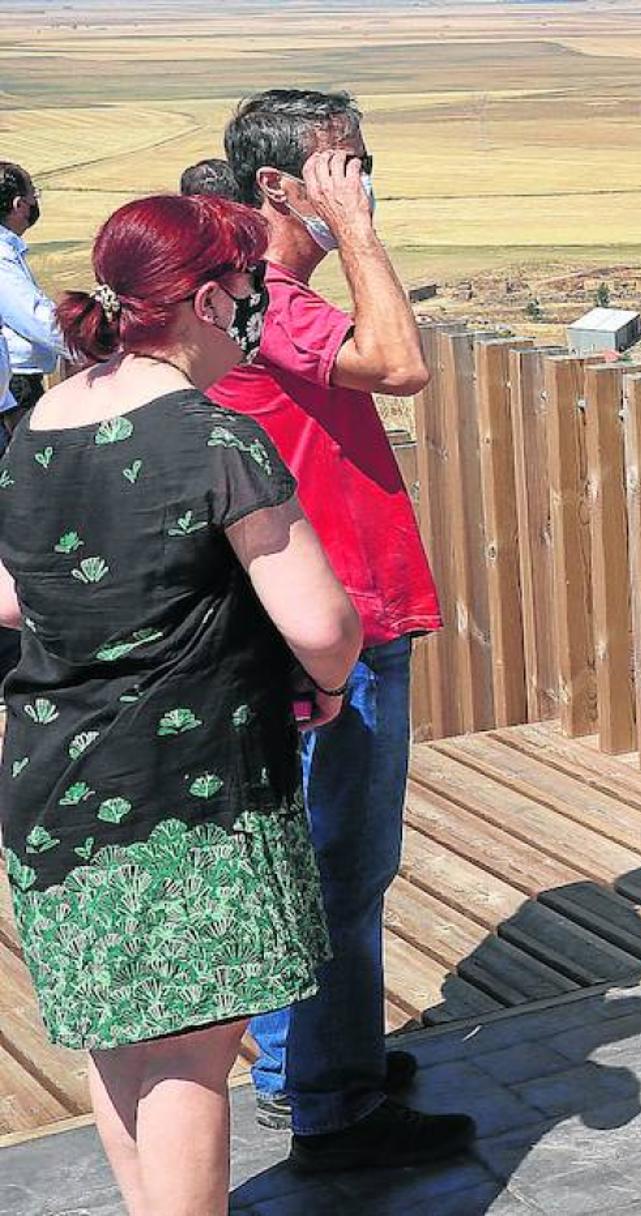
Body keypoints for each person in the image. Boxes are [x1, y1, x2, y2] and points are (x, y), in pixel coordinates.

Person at [0, 193, 361, 1216]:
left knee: (121, 1045)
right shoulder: (214, 438)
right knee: (191, 1058)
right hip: (187, 795)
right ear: (206, 299)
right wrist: (328, 687)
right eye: (248, 288)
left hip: (50, 788)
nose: (254, 308)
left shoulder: (37, 425)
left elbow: (11, 598)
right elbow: (323, 623)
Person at [209, 88, 471, 1170]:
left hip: (318, 620)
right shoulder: (271, 302)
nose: (366, 181)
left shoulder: (247, 297)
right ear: (279, 186)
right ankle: (334, 1106)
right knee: (344, 871)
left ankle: (305, 1063)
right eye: (345, 165)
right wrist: (357, 233)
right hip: (340, 628)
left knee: (315, 860)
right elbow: (400, 364)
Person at [0, 162, 69, 435]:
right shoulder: (2, 259)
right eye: (33, 196)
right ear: (19, 205)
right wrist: (85, 340)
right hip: (14, 383)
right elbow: (33, 316)